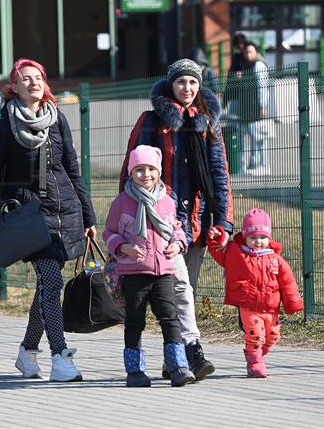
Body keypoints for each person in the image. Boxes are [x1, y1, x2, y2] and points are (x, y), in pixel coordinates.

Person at [0, 58, 97, 382]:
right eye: (25, 78)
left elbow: (73, 170)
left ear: (44, 84)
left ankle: (27, 350)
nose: (32, 82)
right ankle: (60, 356)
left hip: (66, 213)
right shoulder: (4, 126)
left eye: (37, 78)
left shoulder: (57, 119)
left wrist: (89, 216)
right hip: (31, 217)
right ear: (13, 88)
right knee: (51, 281)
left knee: (47, 286)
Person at [121, 58, 234, 381]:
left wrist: (223, 222)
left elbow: (219, 174)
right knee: (177, 288)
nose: (187, 88)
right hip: (157, 222)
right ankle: (192, 351)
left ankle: (174, 359)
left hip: (196, 221)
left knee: (185, 291)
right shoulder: (152, 121)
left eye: (193, 83)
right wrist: (129, 224)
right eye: (182, 82)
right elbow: (130, 171)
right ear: (171, 85)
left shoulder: (207, 121)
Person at [104, 145, 196, 387]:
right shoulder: (122, 202)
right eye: (140, 170)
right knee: (135, 322)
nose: (146, 175)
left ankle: (178, 366)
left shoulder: (166, 200)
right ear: (131, 173)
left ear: (159, 171)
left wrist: (178, 245)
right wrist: (124, 247)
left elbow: (176, 229)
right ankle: (135, 371)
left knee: (170, 318)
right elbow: (110, 232)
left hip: (164, 271)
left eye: (151, 169)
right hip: (134, 272)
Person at [206, 208, 303, 378]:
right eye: (253, 238)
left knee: (273, 336)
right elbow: (219, 252)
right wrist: (217, 237)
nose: (258, 242)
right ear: (245, 236)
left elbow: (288, 282)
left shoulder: (275, 259)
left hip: (271, 306)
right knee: (256, 336)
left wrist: (292, 302)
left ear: (269, 237)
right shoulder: (236, 253)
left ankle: (257, 356)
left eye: (263, 237)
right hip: (248, 306)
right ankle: (254, 363)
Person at [239, 41, 271, 174]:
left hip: (256, 107)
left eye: (250, 52)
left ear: (256, 52)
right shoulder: (249, 66)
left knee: (260, 137)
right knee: (255, 135)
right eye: (246, 52)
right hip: (250, 107)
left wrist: (262, 105)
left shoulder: (258, 65)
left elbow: (262, 87)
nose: (247, 54)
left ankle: (263, 165)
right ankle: (255, 163)